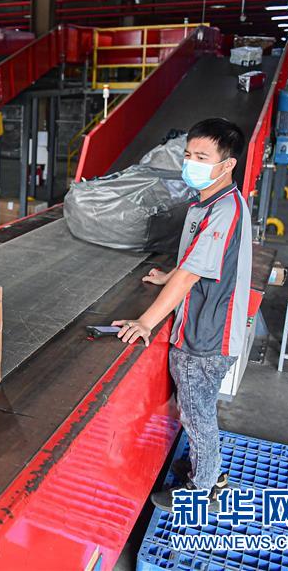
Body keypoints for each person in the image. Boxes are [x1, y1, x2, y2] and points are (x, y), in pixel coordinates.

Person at [111, 118, 251, 512]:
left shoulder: (222, 211)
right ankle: (210, 470)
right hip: (211, 328)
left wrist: (146, 322)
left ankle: (202, 489)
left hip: (206, 336)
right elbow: (196, 260)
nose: (191, 162)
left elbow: (191, 275)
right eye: (188, 154)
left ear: (227, 164)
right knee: (200, 408)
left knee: (196, 413)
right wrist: (169, 274)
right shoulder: (213, 202)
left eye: (202, 157)